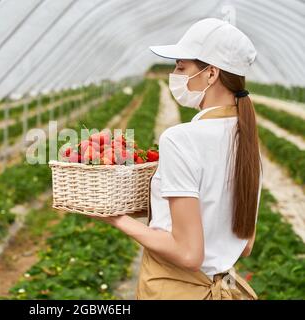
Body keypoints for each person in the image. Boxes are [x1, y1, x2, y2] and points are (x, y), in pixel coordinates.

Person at [91, 18, 262, 300]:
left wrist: (117, 219)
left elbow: (188, 253)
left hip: (177, 290)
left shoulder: (181, 139)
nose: (174, 74)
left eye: (181, 67)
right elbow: (244, 245)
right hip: (223, 285)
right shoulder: (247, 141)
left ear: (211, 74)